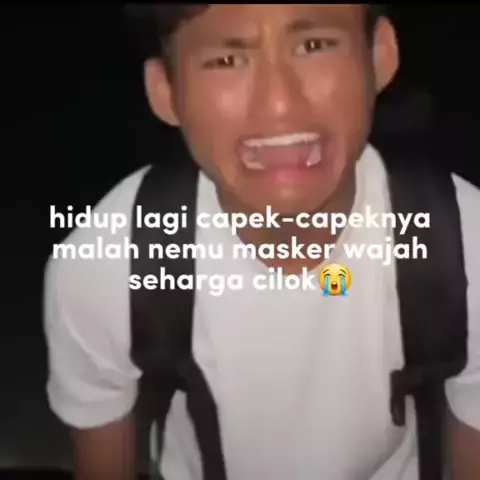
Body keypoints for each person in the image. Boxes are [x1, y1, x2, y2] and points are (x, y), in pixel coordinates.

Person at [43, 4, 480, 479]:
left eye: (313, 45)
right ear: (166, 92)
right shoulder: (109, 267)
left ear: (379, 56)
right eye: (227, 60)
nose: (279, 105)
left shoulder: (463, 246)